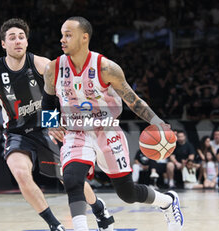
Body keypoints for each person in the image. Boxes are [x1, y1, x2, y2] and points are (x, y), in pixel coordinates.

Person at [0, 18, 115, 231]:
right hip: (16, 132)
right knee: (20, 173)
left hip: (45, 128)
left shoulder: (42, 64)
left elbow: (67, 92)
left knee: (68, 178)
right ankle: (55, 226)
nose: (17, 41)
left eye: (21, 37)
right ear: (3, 44)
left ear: (27, 42)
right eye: (12, 37)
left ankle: (99, 208)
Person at [42, 16, 183, 230]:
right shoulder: (53, 69)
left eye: (68, 35)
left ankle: (168, 201)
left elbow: (133, 100)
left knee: (127, 193)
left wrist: (158, 122)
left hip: (106, 130)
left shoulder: (107, 68)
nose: (62, 39)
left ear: (84, 37)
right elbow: (48, 100)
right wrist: (51, 123)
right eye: (62, 35)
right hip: (76, 132)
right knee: (71, 180)